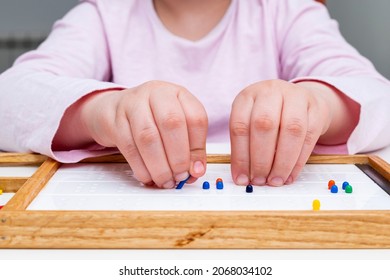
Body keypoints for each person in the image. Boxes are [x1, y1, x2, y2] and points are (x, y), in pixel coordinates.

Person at [0, 0, 389, 188]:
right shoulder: (104, 14)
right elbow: (11, 97)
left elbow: (378, 100)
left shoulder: (288, 11)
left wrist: (317, 103)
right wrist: (103, 110)